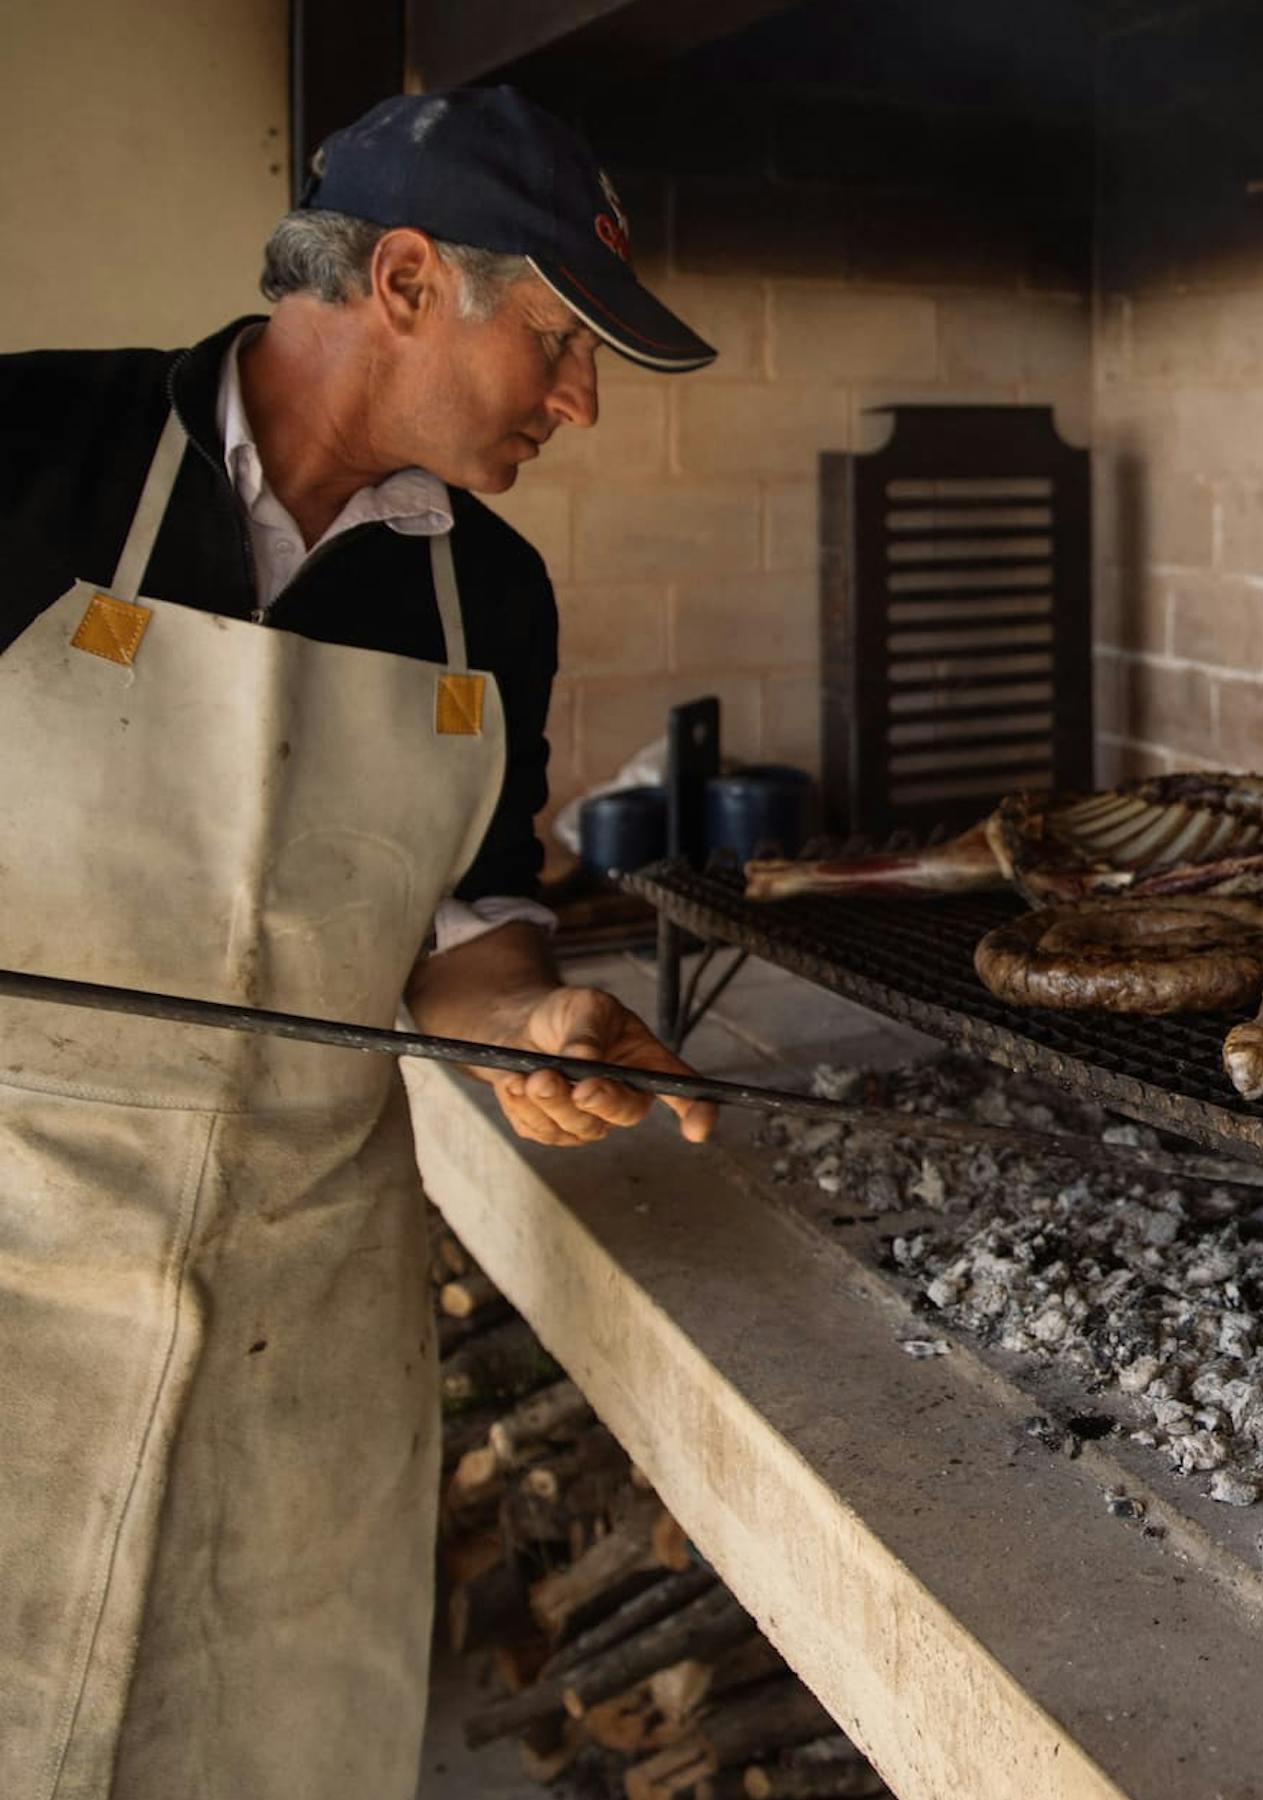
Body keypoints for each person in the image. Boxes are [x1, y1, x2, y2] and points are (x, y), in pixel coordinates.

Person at [0, 87, 723, 1796]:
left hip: (299, 1316)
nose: (583, 399)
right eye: (556, 341)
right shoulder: (30, 459)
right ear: (405, 282)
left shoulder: (495, 600)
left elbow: (464, 936)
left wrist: (530, 1026)